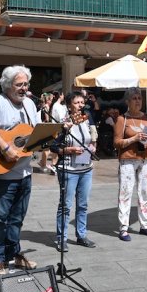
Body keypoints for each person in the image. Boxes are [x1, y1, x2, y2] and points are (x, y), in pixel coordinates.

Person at [0, 66, 40, 277]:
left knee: (17, 218)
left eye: (26, 84)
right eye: (19, 85)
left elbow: (35, 134)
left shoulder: (30, 105)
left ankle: (14, 254)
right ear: (7, 86)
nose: (24, 88)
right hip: (2, 173)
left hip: (25, 172)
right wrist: (5, 147)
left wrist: (56, 131)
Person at [54, 91, 97, 251]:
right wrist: (70, 149)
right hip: (68, 170)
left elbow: (92, 139)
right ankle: (62, 239)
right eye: (76, 102)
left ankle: (81, 235)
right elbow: (53, 147)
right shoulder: (63, 123)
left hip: (86, 169)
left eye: (82, 102)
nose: (80, 105)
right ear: (69, 105)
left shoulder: (86, 119)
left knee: (83, 204)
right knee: (66, 206)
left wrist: (92, 147)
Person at [114, 88, 147, 241]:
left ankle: (145, 225)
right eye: (134, 98)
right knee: (125, 192)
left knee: (144, 192)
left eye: (139, 98)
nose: (138, 101)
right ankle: (123, 228)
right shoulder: (122, 119)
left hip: (146, 158)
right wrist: (134, 139)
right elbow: (117, 142)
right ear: (127, 101)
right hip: (128, 159)